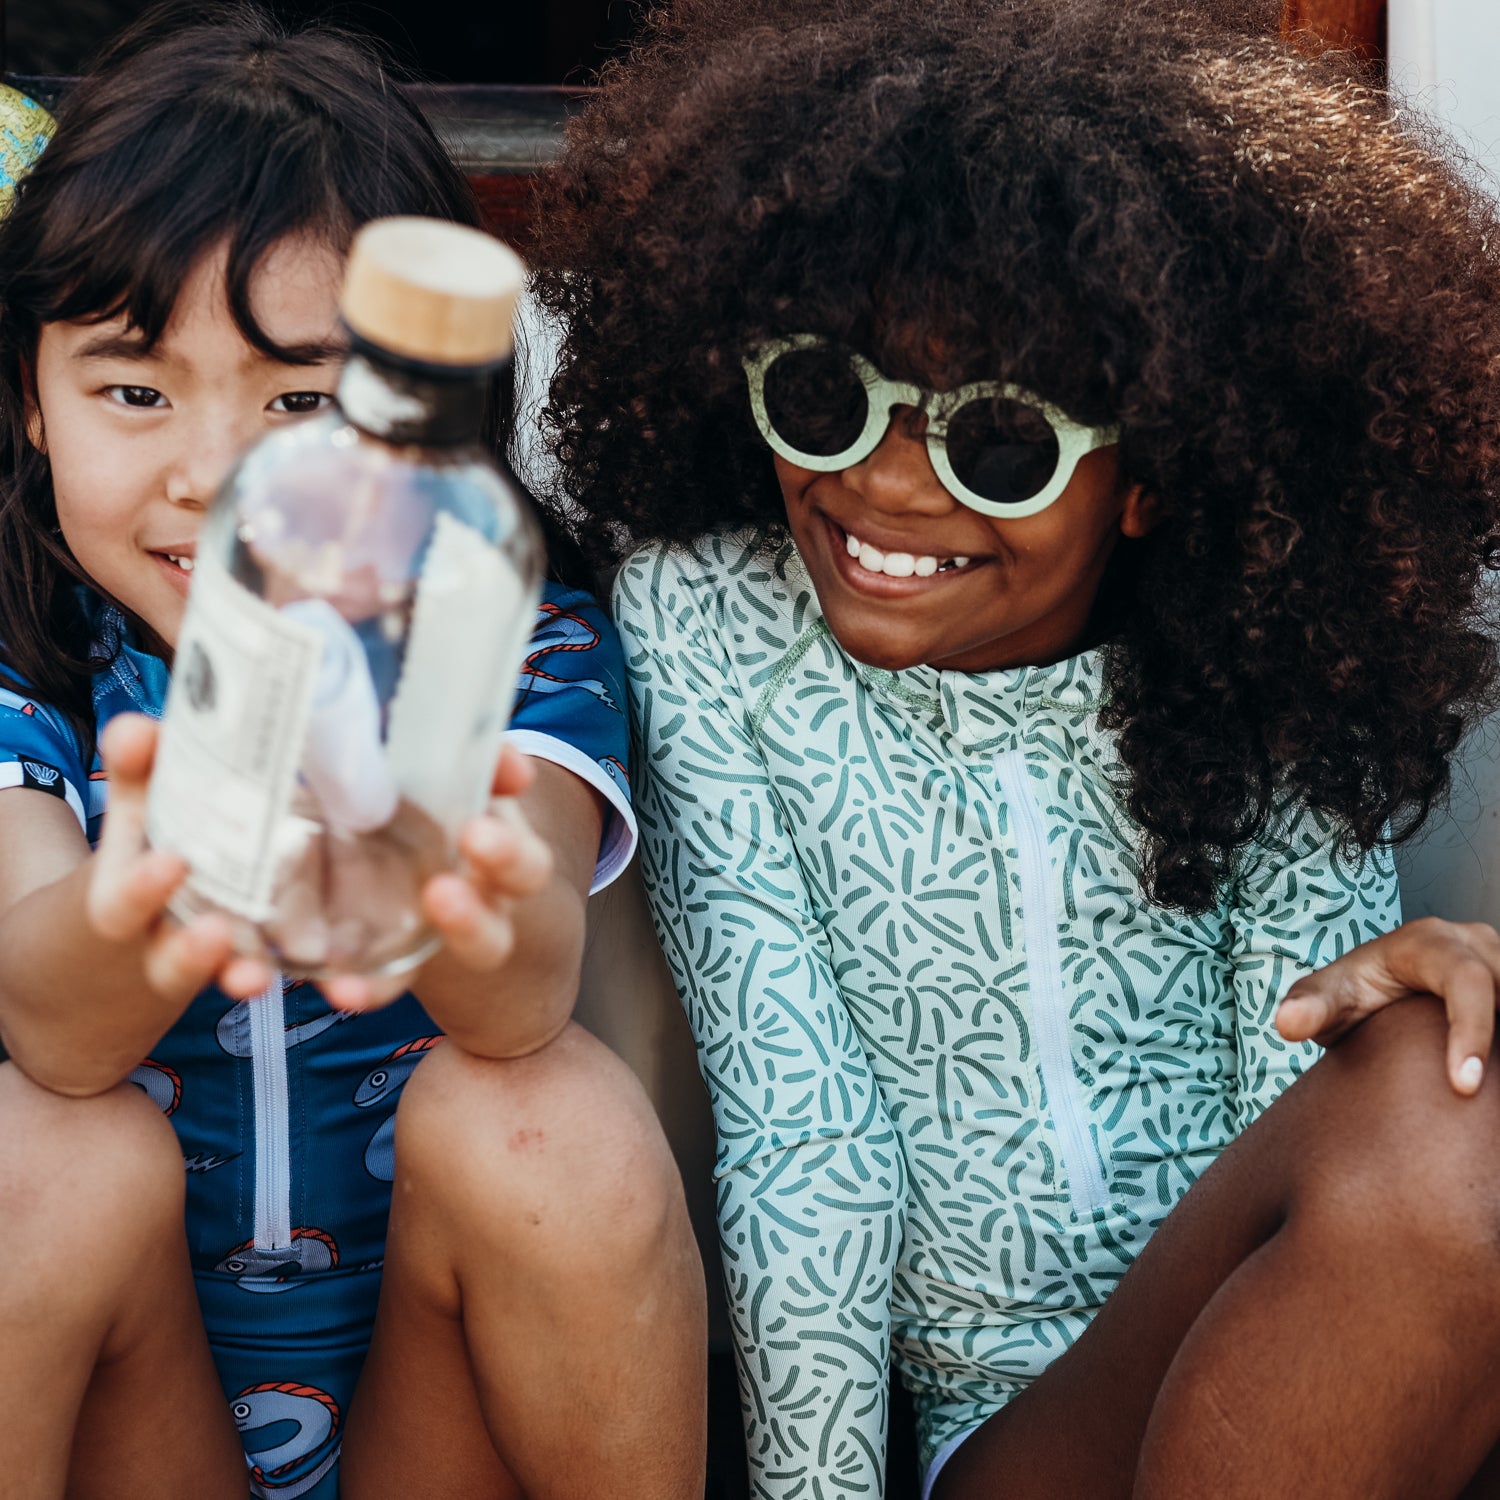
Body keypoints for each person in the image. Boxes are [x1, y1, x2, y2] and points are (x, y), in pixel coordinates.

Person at [527, 0, 1500, 1494]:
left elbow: (1290, 1091)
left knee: (1456, 1090)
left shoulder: (1251, 644)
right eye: (823, 397)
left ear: (1153, 478)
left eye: (998, 442)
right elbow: (810, 1151)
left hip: (1277, 1356)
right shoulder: (712, 622)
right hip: (1011, 1432)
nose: (888, 493)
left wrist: (1408, 1044)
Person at [0, 8, 707, 1498]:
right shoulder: (33, 662)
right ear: (31, 403)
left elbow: (520, 997)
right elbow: (54, 1029)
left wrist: (403, 827)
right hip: (145, 1424)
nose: (216, 475)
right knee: (44, 1155)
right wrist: (191, 842)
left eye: (302, 402)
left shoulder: (508, 639)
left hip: (429, 1421)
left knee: (545, 1120)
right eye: (134, 391)